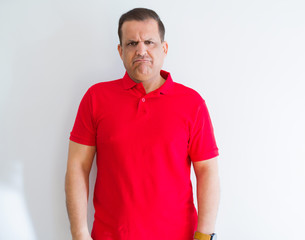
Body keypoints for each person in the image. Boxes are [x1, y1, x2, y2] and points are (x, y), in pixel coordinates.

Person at [65, 8, 220, 240]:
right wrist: (79, 234)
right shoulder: (96, 98)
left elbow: (207, 170)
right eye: (131, 43)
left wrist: (205, 237)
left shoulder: (192, 103)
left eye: (149, 42)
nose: (141, 50)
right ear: (120, 51)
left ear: (164, 48)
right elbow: (77, 166)